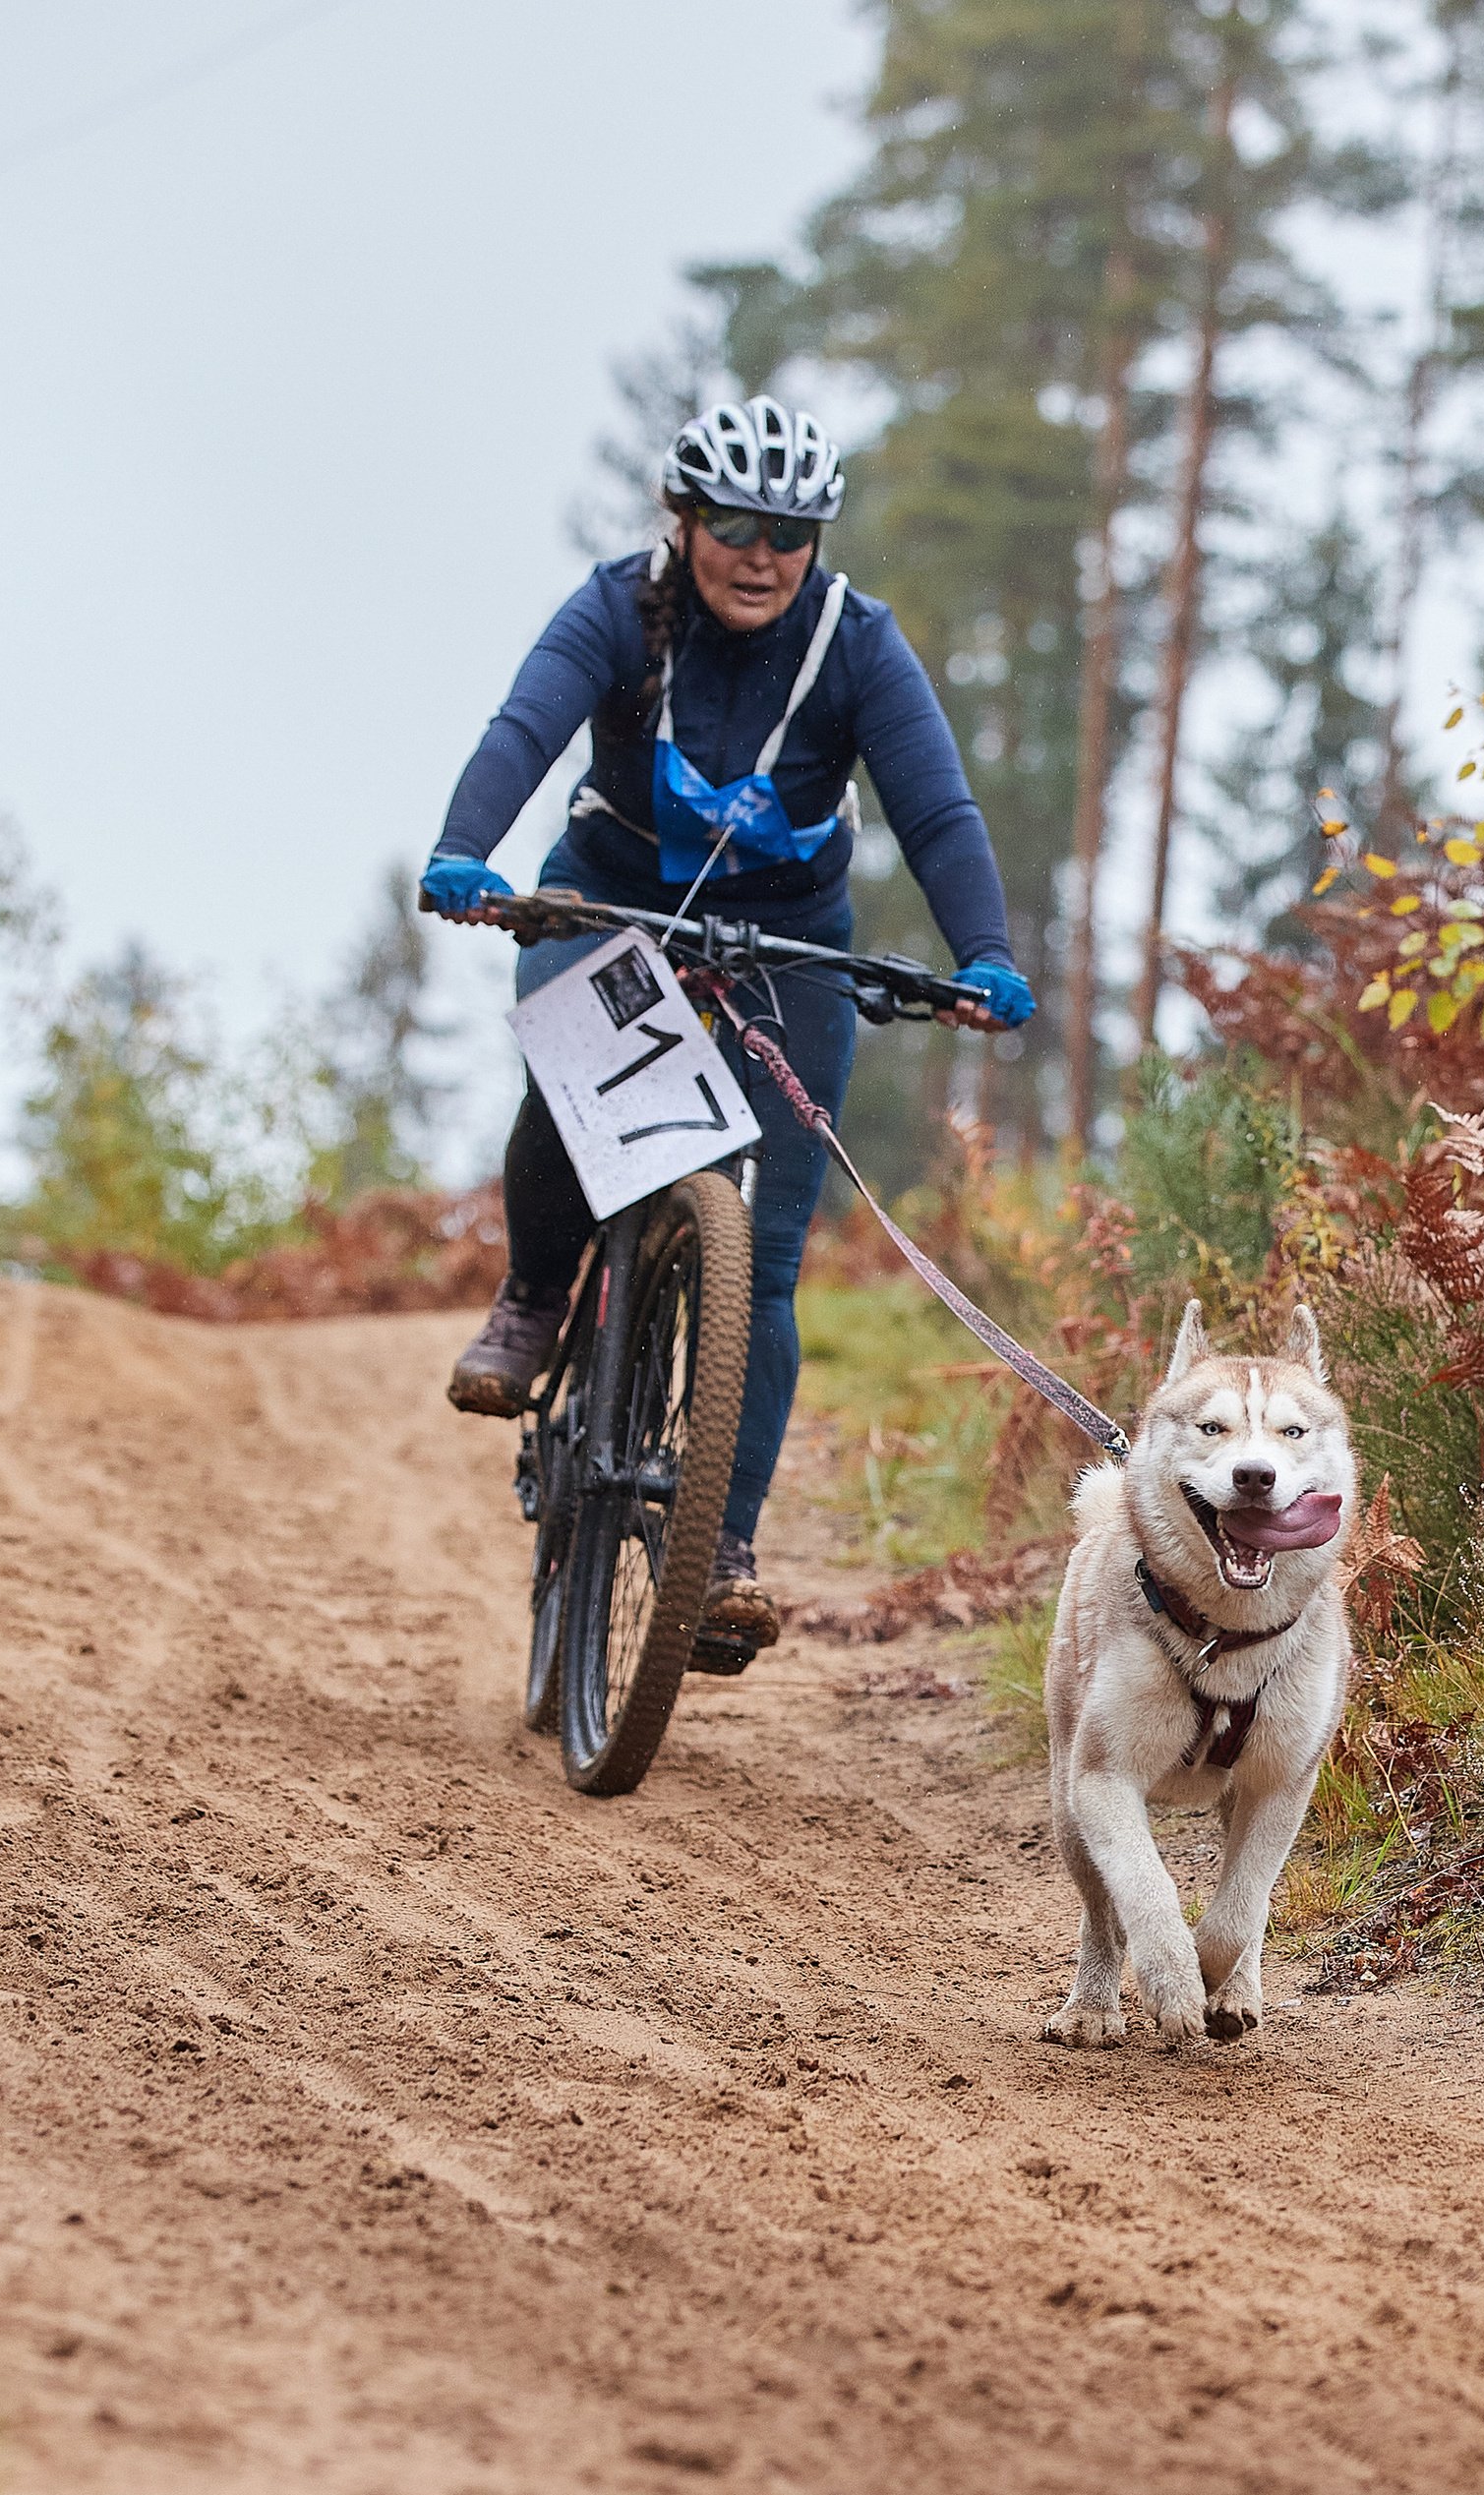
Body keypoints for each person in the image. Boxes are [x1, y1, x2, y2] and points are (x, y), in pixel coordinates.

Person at [417, 395, 1036, 1663]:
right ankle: (536, 1299)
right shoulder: (614, 610)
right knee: (572, 1093)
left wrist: (984, 953)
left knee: (766, 1258)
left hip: (787, 938)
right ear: (687, 519)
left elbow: (936, 809)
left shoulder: (858, 646)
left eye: (792, 532)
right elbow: (525, 730)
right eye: (738, 524)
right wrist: (464, 850)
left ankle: (723, 1550)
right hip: (609, 900)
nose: (762, 554)